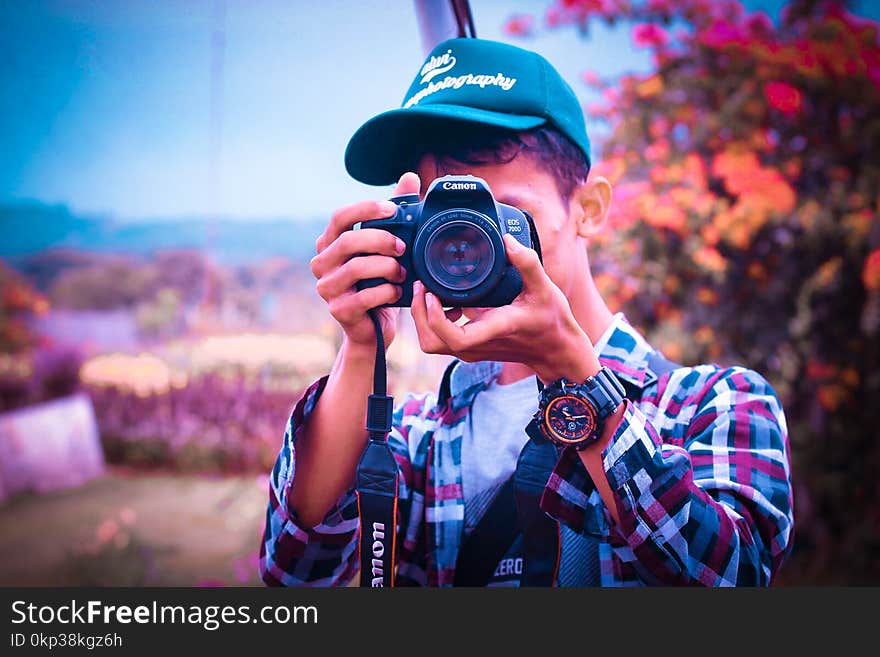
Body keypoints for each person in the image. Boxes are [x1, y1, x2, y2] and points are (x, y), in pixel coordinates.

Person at [258, 37, 794, 587]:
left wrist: (575, 379)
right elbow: (295, 575)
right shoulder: (416, 434)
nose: (470, 244)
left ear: (588, 210)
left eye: (504, 216)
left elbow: (737, 580)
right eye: (443, 222)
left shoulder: (713, 404)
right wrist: (362, 344)